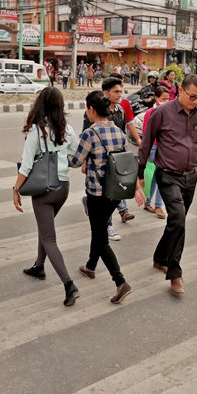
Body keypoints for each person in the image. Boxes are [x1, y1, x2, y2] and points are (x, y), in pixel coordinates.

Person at [135, 74, 197, 296]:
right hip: (168, 175)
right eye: (192, 96)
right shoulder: (162, 113)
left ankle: (160, 258)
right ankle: (175, 273)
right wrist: (140, 174)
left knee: (176, 221)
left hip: (191, 176)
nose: (195, 101)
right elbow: (145, 144)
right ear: (180, 91)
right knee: (179, 220)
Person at [13, 87, 79, 305]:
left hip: (44, 190)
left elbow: (26, 167)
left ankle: (69, 285)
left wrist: (15, 190)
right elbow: (76, 155)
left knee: (49, 237)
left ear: (39, 105)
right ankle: (39, 266)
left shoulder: (36, 132)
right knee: (46, 228)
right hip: (63, 188)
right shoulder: (66, 130)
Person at [69, 91, 133, 304]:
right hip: (115, 192)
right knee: (97, 230)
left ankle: (120, 281)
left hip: (96, 193)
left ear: (91, 110)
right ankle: (90, 266)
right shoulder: (118, 131)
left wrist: (66, 151)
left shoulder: (90, 133)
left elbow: (76, 161)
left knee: (100, 236)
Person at [82, 76, 138, 240]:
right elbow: (87, 139)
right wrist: (85, 162)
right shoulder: (93, 114)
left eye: (121, 91)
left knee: (114, 191)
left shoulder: (120, 110)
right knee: (105, 194)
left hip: (115, 161)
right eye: (115, 91)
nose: (119, 94)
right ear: (106, 93)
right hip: (98, 161)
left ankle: (120, 212)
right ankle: (109, 226)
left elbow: (124, 131)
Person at [142, 86, 171, 218]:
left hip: (165, 148)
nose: (166, 101)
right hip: (154, 148)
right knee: (152, 177)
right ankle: (148, 202)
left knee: (161, 177)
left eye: (168, 98)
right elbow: (146, 135)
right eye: (163, 99)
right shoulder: (150, 113)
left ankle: (158, 206)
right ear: (156, 98)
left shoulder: (170, 112)